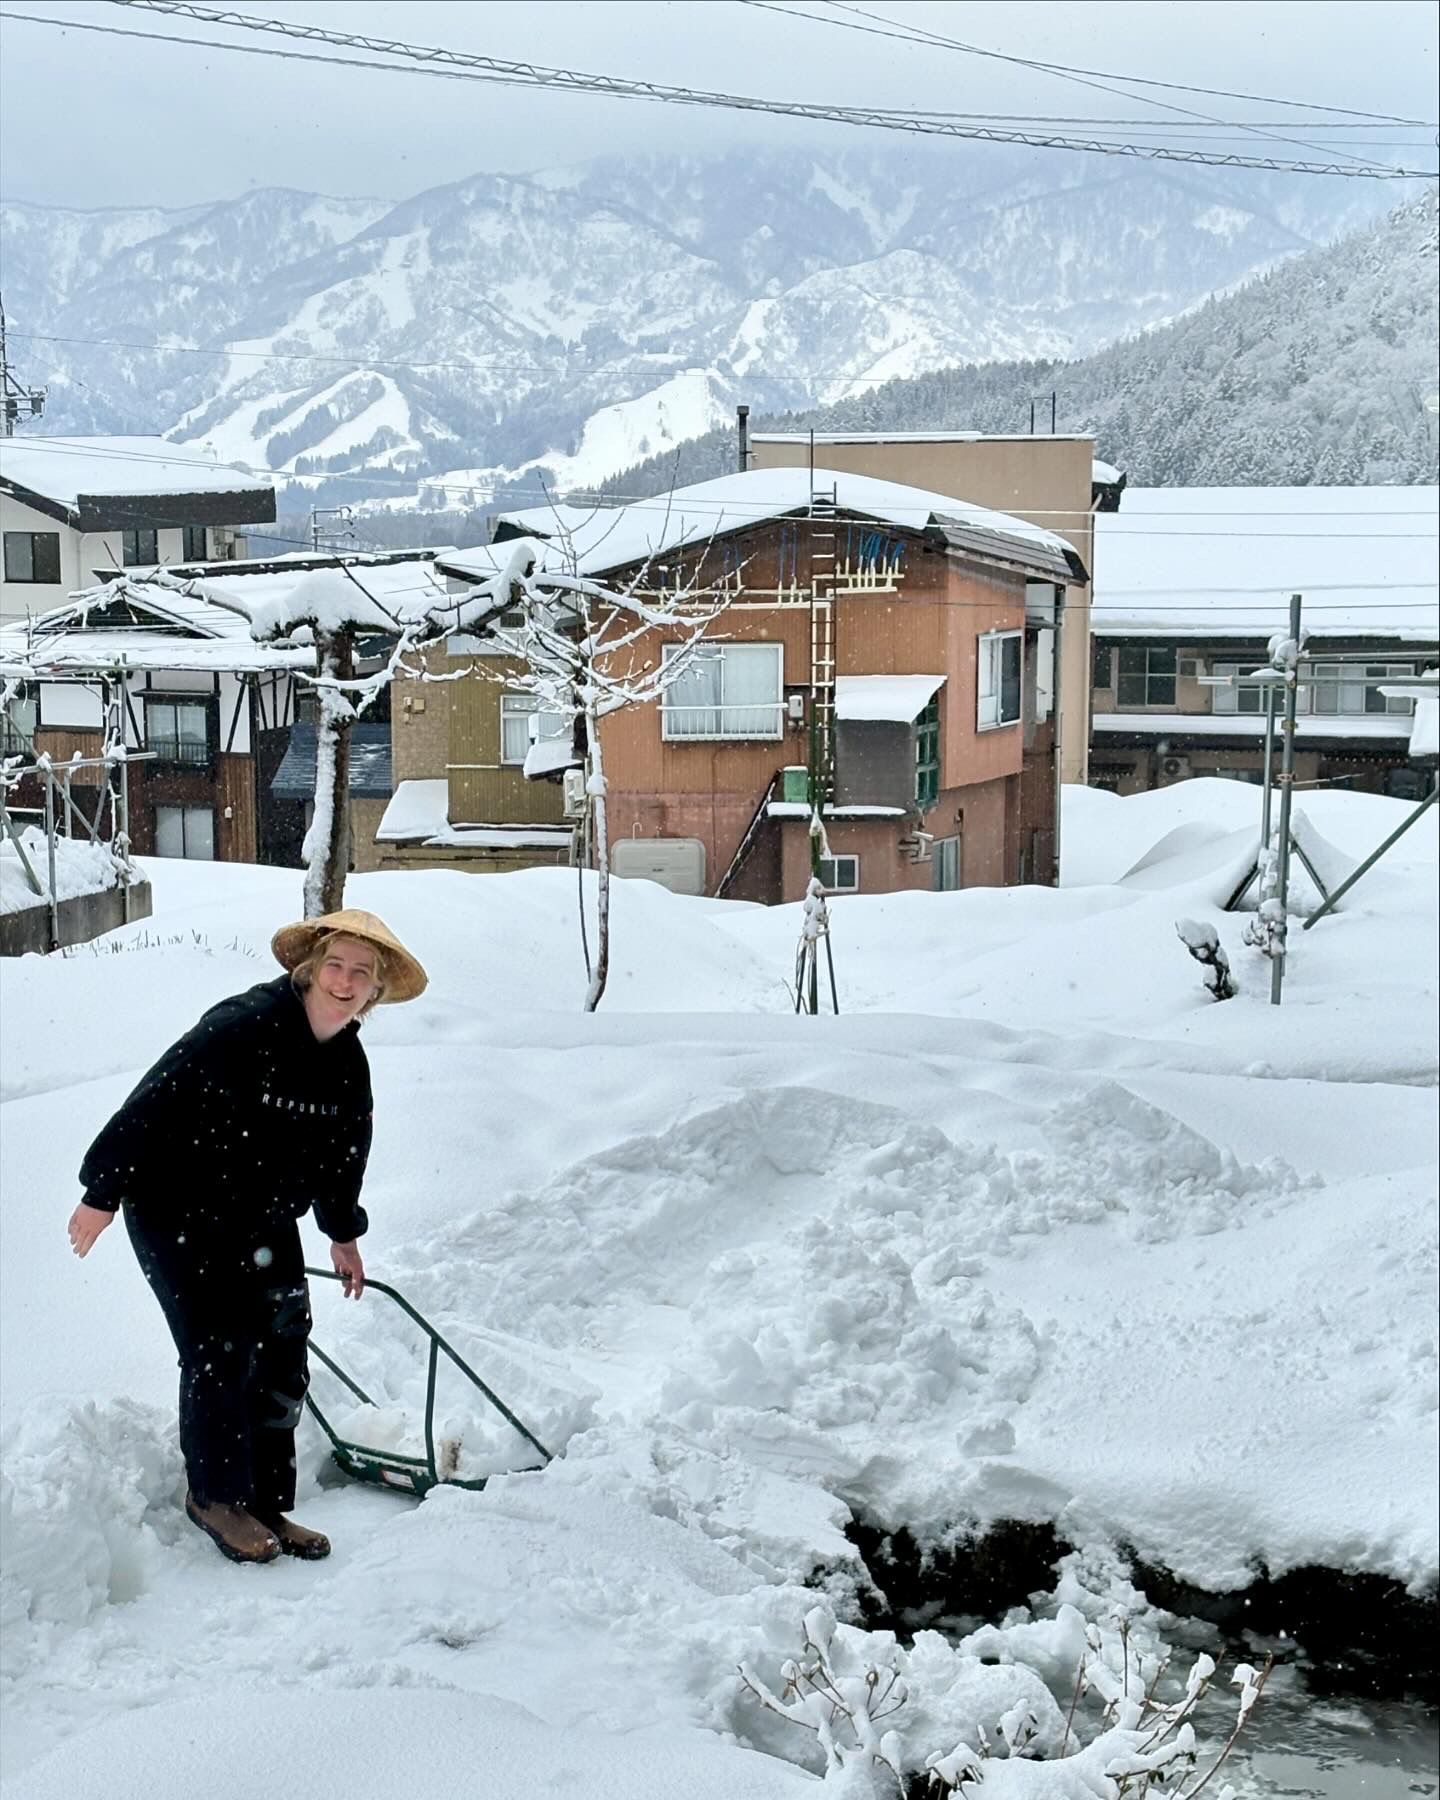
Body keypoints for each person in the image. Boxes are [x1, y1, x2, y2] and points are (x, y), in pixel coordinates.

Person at [67, 908, 427, 1566]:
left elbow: (343, 1154)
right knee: (220, 1345)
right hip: (177, 1204)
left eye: (362, 973)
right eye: (335, 965)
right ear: (310, 968)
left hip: (259, 1214)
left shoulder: (347, 1063)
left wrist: (342, 1235)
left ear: (375, 991)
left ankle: (264, 1500)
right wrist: (102, 1191)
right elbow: (159, 1096)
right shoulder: (245, 1026)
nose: (345, 981)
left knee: (284, 1341)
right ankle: (214, 1497)